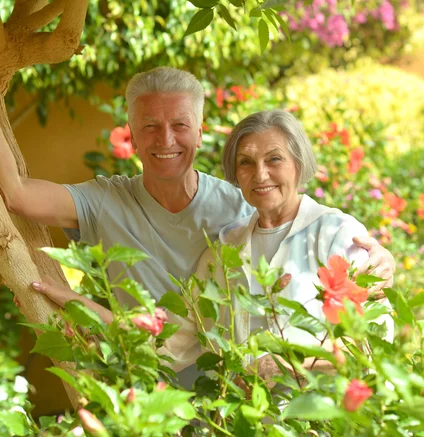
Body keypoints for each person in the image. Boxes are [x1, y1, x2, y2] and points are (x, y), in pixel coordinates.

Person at [0, 68, 394, 384]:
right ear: (132, 135)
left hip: (297, 416)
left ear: (201, 130)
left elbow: (374, 334)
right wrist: (81, 306)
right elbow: (176, 336)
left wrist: (378, 259)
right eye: (150, 126)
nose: (260, 176)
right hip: (190, 410)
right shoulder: (227, 246)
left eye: (180, 124)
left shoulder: (272, 212)